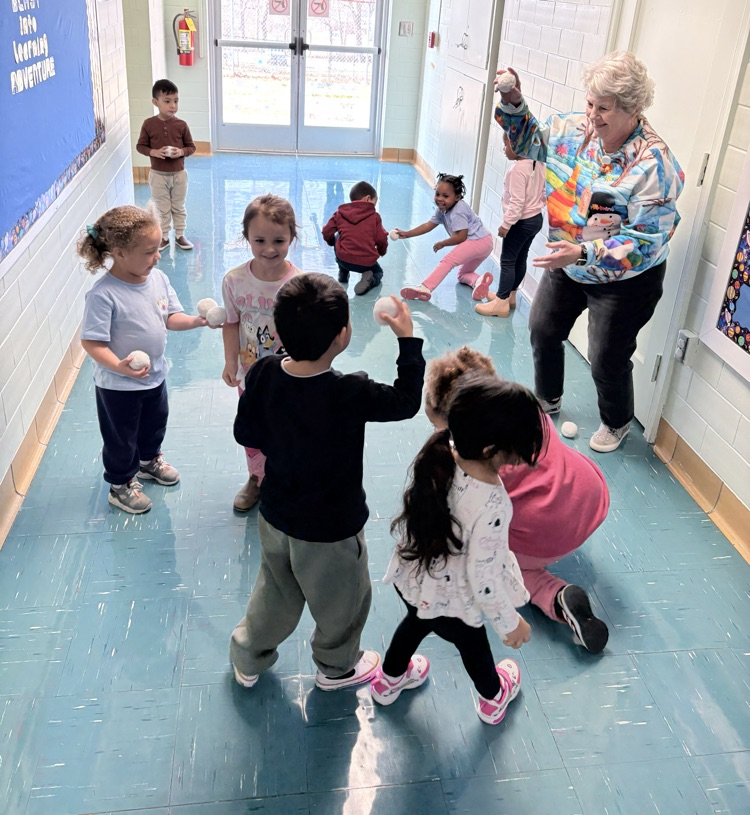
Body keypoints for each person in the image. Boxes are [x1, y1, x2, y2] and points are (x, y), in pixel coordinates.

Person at [229, 274, 425, 691]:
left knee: (275, 590)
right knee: (343, 601)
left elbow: (246, 434)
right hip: (331, 529)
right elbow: (407, 403)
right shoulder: (351, 391)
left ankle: (248, 657)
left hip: (277, 515)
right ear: (343, 336)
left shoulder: (263, 371)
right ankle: (337, 668)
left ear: (279, 330)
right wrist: (408, 341)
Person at [494, 51, 684, 453]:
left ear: (633, 110)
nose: (593, 116)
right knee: (543, 330)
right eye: (590, 104)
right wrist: (513, 100)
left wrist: (582, 254)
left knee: (607, 359)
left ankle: (616, 423)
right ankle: (548, 399)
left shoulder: (654, 163)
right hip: (569, 261)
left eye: (605, 109)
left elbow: (645, 241)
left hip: (626, 279)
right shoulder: (570, 129)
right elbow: (525, 143)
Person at [372, 372, 544, 725]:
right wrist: (509, 623)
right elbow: (483, 578)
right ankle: (494, 698)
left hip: (418, 580)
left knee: (416, 622)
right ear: (491, 451)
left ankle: (388, 682)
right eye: (514, 449)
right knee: (474, 648)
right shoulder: (493, 504)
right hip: (455, 600)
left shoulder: (441, 451)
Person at [424, 346, 610, 653]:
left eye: (440, 427)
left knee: (495, 559)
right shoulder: (524, 407)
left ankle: (556, 597)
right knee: (558, 459)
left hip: (546, 532)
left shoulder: (471, 464)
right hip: (589, 498)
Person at [77, 205, 208, 514]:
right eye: (149, 252)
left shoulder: (158, 279)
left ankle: (149, 461)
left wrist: (197, 321)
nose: (158, 256)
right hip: (118, 386)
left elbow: (170, 317)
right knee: (121, 437)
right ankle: (120, 485)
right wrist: (118, 366)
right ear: (120, 253)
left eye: (157, 248)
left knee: (154, 424)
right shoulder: (103, 294)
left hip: (156, 376)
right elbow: (91, 342)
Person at [221, 194, 303, 512]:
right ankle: (257, 478)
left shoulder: (298, 283)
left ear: (292, 238)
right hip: (251, 375)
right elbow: (231, 323)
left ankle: (285, 478)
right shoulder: (234, 281)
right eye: (259, 240)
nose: (270, 249)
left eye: (279, 240)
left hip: (290, 377)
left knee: (287, 428)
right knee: (253, 429)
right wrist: (230, 361)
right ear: (247, 238)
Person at [475, 132, 546, 318]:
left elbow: (517, 202)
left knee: (507, 261)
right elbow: (544, 191)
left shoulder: (517, 170)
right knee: (521, 258)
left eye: (505, 145)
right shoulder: (538, 164)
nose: (503, 149)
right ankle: (510, 296)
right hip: (536, 219)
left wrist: (506, 224)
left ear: (516, 146)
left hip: (520, 223)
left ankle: (500, 302)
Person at [395, 173, 494, 302]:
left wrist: (443, 243)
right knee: (462, 274)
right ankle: (479, 281)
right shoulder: (443, 209)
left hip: (477, 241)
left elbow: (461, 237)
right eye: (437, 194)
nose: (440, 199)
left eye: (445, 196)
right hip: (486, 242)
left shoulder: (458, 210)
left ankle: (425, 288)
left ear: (457, 197)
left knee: (448, 261)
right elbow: (428, 225)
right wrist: (407, 233)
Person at [136, 79, 196, 251]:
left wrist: (181, 152)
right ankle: (163, 237)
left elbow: (191, 147)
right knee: (162, 208)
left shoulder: (181, 125)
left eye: (176, 101)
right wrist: (154, 152)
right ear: (156, 102)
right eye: (167, 101)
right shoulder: (149, 124)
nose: (173, 106)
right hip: (158, 175)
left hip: (179, 175)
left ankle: (179, 235)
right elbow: (140, 146)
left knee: (178, 206)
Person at [322, 180, 388, 296]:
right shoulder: (375, 217)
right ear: (368, 199)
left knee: (339, 237)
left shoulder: (339, 213)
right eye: (375, 202)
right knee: (379, 272)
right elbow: (381, 238)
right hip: (366, 263)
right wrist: (381, 251)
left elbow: (327, 231)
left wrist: (332, 242)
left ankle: (343, 272)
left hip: (343, 259)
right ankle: (370, 280)